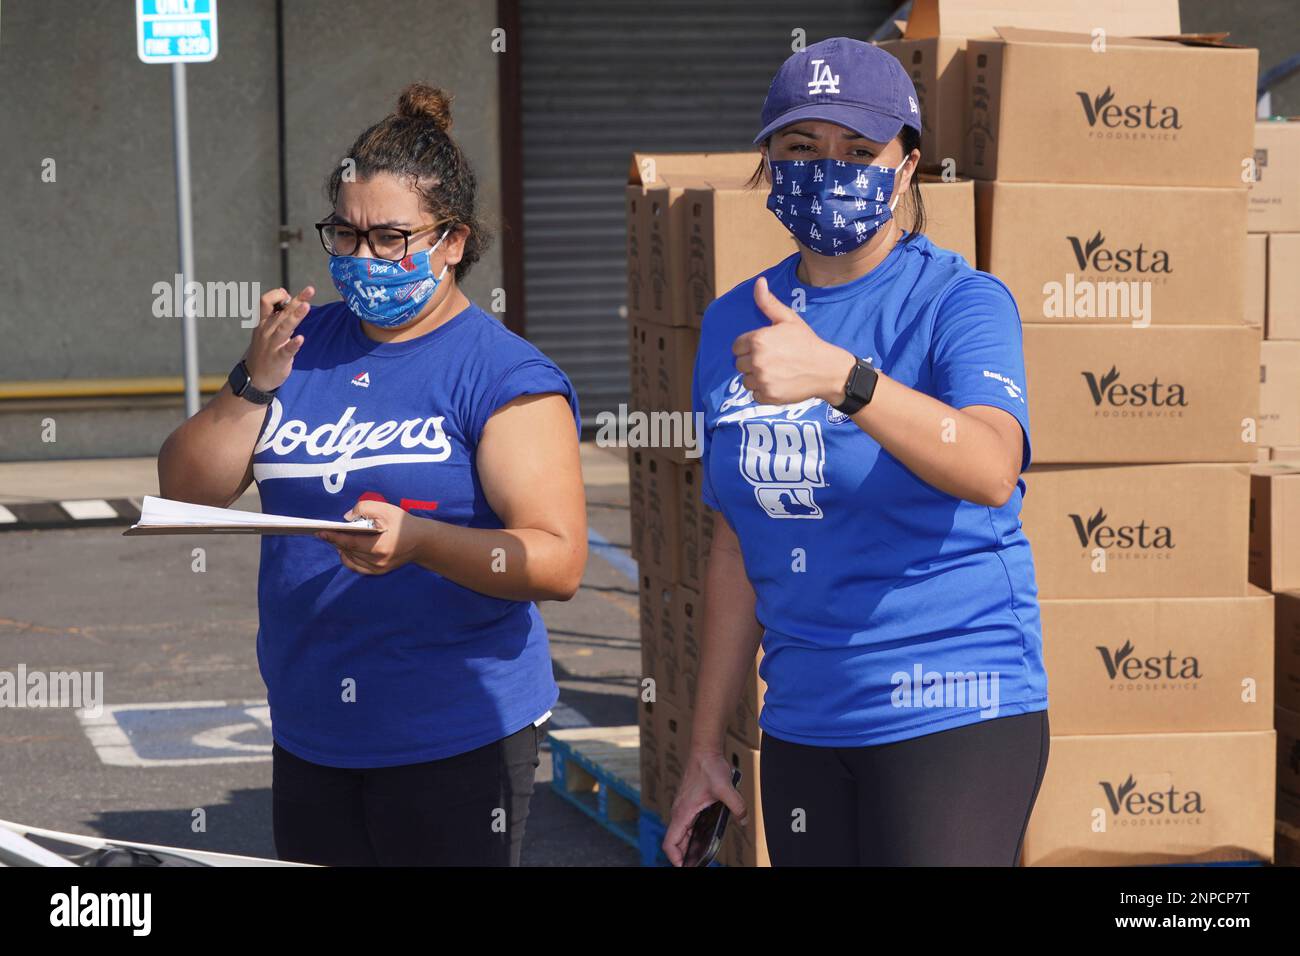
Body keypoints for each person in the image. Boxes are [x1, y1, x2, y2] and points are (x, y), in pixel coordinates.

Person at [157, 84, 587, 866]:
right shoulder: (298, 344)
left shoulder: (502, 374)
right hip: (314, 729)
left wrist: (422, 541)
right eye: (346, 235)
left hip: (456, 735)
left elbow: (555, 562)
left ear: (453, 241)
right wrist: (253, 382)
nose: (363, 259)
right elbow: (186, 495)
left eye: (391, 238)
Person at [664, 38, 1050, 867]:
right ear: (767, 162)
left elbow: (990, 467)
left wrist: (847, 380)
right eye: (801, 149)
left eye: (858, 151)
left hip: (956, 705)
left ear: (906, 168)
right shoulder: (735, 320)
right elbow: (737, 540)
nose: (827, 169)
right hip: (807, 717)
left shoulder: (960, 300)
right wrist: (704, 746)